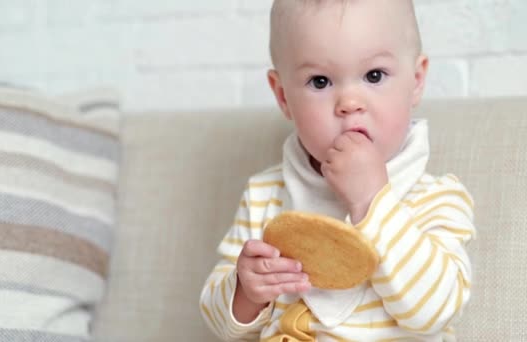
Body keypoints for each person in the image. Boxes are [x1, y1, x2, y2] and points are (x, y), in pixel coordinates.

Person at [200, 0, 476, 340]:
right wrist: (246, 292)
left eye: (374, 75)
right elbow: (218, 322)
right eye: (319, 82)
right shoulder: (265, 194)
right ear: (283, 96)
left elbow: (434, 312)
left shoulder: (436, 199)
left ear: (416, 81)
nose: (349, 103)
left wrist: (373, 202)